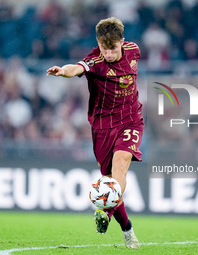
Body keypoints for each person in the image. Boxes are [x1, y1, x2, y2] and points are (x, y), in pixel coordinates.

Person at [46, 17, 143, 249]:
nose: (108, 54)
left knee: (122, 161)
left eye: (112, 48)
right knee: (109, 179)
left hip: (131, 119)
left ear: (122, 41)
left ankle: (105, 213)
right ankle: (127, 228)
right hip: (102, 126)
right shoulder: (95, 61)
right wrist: (63, 71)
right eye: (103, 48)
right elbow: (76, 68)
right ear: (98, 44)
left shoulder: (134, 51)